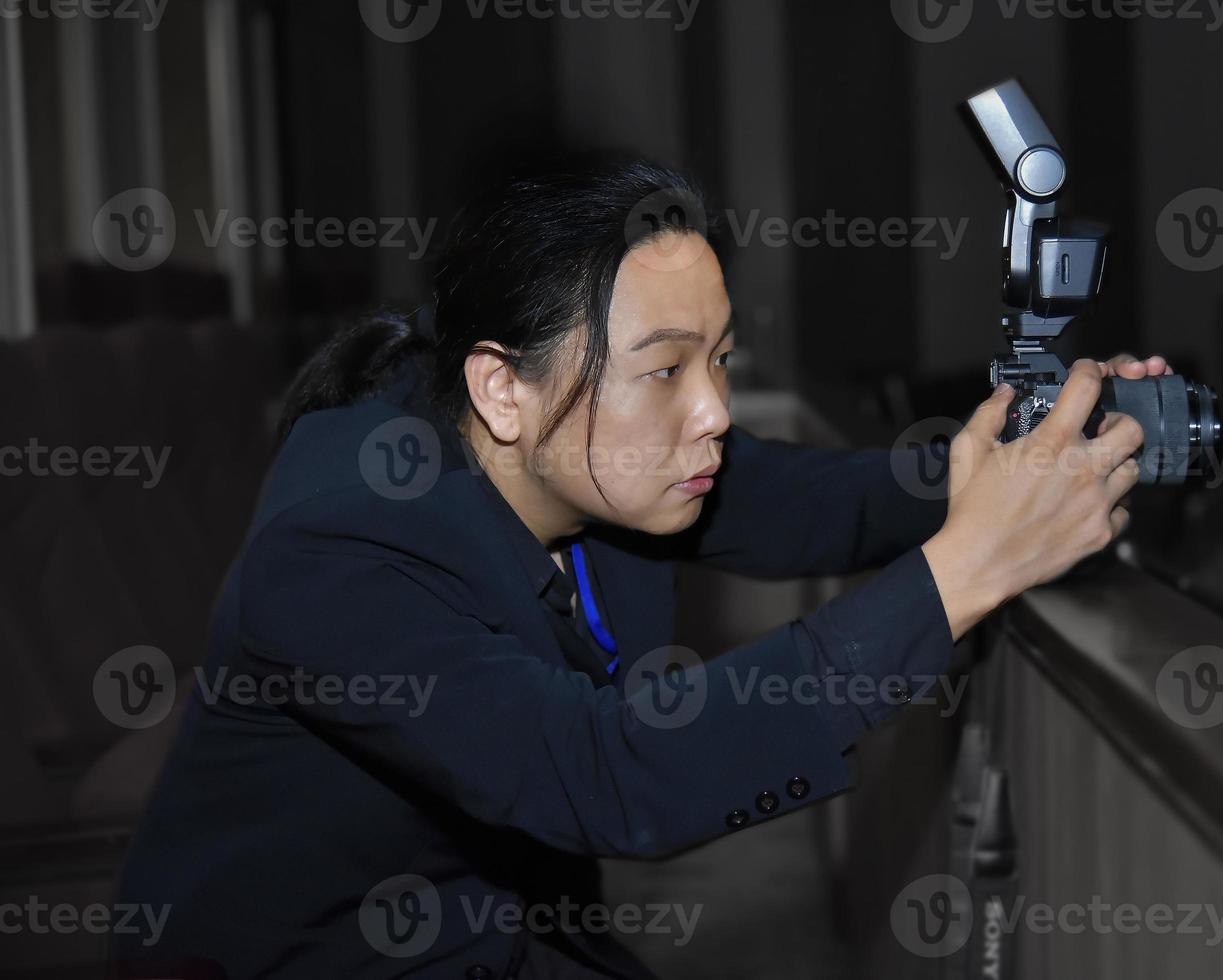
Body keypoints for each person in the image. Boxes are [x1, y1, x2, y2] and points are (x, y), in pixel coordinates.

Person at [109, 151, 1161, 979]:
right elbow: (609, 774)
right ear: (501, 387)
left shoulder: (594, 453)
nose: (712, 412)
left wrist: (1039, 447)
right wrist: (966, 568)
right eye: (664, 368)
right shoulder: (339, 548)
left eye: (720, 359)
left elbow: (829, 498)